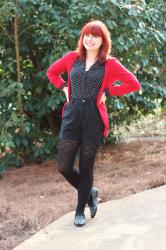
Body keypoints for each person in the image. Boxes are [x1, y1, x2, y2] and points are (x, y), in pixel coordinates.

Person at [46, 20, 141, 227]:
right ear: (82, 37)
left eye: (95, 36)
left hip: (94, 119)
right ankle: (90, 193)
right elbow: (51, 72)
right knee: (64, 166)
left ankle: (80, 210)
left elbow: (134, 84)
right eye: (87, 35)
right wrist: (63, 87)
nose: (89, 39)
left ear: (102, 40)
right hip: (72, 116)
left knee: (87, 167)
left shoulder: (109, 63)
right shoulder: (72, 58)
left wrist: (109, 92)